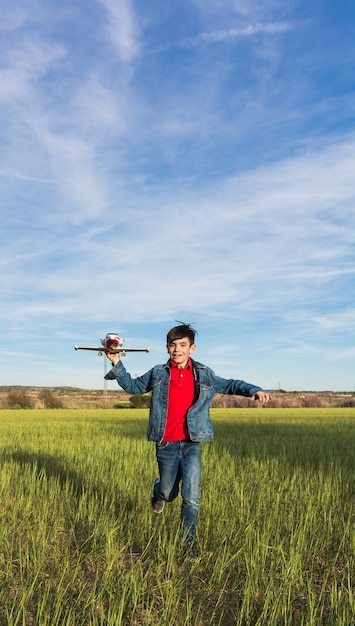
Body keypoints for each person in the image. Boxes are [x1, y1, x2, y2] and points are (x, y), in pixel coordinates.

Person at [105, 323, 269, 558]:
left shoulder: (204, 373)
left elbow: (231, 384)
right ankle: (158, 490)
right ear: (167, 348)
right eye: (173, 345)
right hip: (166, 443)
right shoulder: (158, 372)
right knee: (168, 492)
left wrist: (254, 389)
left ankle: (187, 546)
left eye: (182, 345)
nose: (177, 350)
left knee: (191, 497)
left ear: (192, 348)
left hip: (192, 442)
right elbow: (134, 386)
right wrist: (115, 361)